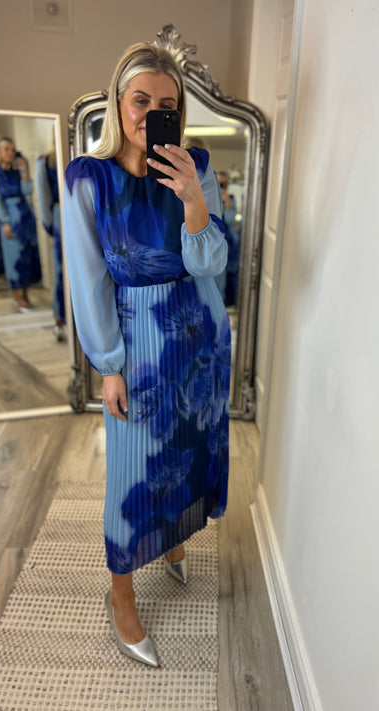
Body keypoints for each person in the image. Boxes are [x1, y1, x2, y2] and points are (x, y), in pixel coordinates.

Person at [62, 42, 231, 668]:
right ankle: (122, 593)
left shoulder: (196, 165)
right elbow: (88, 280)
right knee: (133, 476)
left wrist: (192, 198)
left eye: (167, 104)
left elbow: (213, 264)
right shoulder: (89, 178)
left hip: (199, 334)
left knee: (188, 452)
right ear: (118, 102)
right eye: (141, 100)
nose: (152, 113)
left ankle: (173, 538)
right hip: (139, 346)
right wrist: (108, 365)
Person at [0, 137, 42, 312]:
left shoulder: (16, 170)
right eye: (6, 149)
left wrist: (24, 172)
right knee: (13, 258)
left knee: (27, 255)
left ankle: (25, 294)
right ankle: (16, 296)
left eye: (12, 149)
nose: (10, 153)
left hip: (26, 217)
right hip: (10, 217)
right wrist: (4, 221)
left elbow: (28, 191)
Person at [36, 145, 66, 340]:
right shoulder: (45, 162)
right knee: (60, 271)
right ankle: (59, 320)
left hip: (84, 213)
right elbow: (43, 197)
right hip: (59, 218)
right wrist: (50, 230)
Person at [217, 171, 240, 307]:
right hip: (215, 243)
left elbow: (231, 220)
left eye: (223, 184)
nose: (221, 187)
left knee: (226, 281)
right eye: (219, 183)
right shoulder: (208, 196)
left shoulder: (230, 199)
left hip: (229, 243)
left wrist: (227, 204)